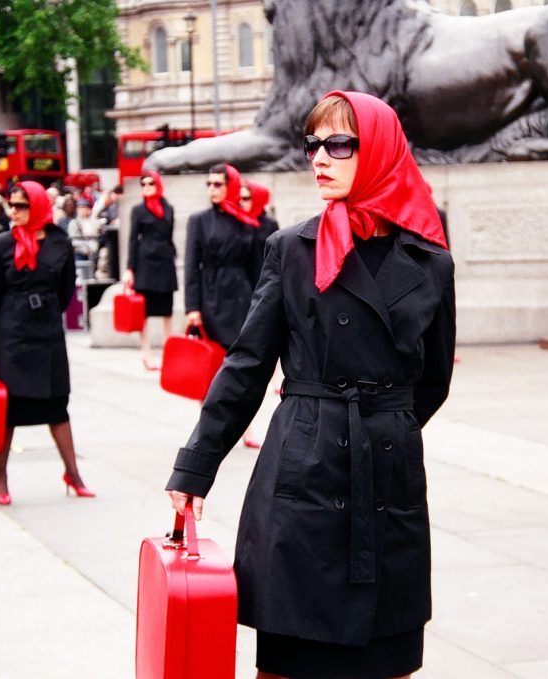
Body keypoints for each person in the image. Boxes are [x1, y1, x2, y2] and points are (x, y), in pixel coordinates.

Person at [166, 91, 455, 679]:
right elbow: (247, 365)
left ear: (377, 151)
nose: (319, 157)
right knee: (289, 662)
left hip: (389, 482)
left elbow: (434, 379)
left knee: (387, 660)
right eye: (312, 144)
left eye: (338, 144)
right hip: (303, 475)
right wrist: (196, 466)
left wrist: (384, 425)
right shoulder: (289, 250)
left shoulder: (430, 262)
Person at [0, 181, 95, 506]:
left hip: (47, 337)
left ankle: (73, 473)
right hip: (10, 338)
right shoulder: (2, 244)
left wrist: (44, 309)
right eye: (11, 205)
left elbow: (66, 289)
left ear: (38, 207)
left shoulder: (60, 242)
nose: (13, 211)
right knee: (8, 411)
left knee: (57, 406)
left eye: (20, 206)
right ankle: (0, 477)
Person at [183, 163, 264, 446]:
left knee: (242, 368)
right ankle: (208, 428)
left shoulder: (246, 220)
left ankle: (246, 428)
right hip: (211, 299)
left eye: (218, 184)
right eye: (209, 184)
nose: (212, 189)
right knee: (210, 367)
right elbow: (191, 267)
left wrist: (263, 305)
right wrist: (192, 308)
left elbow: (257, 268)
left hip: (242, 298)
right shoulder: (199, 220)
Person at [123, 170, 177, 370]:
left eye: (150, 183)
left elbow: (170, 234)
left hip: (164, 262)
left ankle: (167, 351)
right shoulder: (138, 210)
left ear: (158, 185)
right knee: (143, 311)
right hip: (144, 263)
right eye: (143, 184)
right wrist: (130, 268)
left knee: (166, 310)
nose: (146, 187)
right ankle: (146, 354)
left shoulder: (168, 208)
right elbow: (132, 240)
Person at [241, 179, 280, 281]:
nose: (241, 202)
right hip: (239, 283)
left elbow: (275, 255)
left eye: (245, 198)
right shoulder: (236, 222)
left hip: (262, 280)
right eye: (239, 198)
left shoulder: (269, 224)